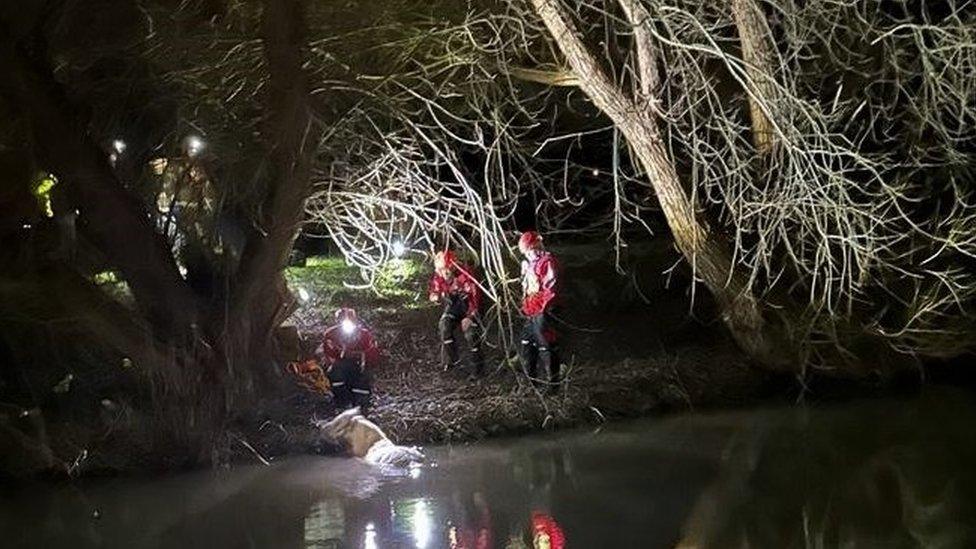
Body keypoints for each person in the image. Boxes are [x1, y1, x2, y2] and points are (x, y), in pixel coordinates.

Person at [429, 250, 485, 375]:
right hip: (453, 304)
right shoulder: (439, 275)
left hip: (469, 305)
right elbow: (434, 290)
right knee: (444, 325)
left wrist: (470, 316)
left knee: (471, 334)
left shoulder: (465, 275)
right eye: (441, 270)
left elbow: (476, 298)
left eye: (446, 269)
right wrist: (435, 296)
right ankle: (452, 361)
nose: (444, 273)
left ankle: (478, 368)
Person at [518, 231, 561, 393]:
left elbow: (551, 287)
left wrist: (544, 310)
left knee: (546, 344)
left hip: (543, 311)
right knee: (526, 343)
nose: (529, 254)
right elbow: (526, 288)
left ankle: (553, 386)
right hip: (530, 310)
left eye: (531, 250)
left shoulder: (547, 262)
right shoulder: (529, 264)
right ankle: (531, 383)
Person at [320, 308, 379, 410]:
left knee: (363, 380)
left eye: (350, 320)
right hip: (339, 366)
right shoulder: (331, 334)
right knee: (337, 376)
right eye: (342, 320)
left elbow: (371, 352)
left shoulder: (364, 335)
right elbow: (329, 354)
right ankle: (341, 403)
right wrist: (339, 355)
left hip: (359, 366)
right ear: (337, 321)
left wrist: (362, 357)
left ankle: (362, 404)